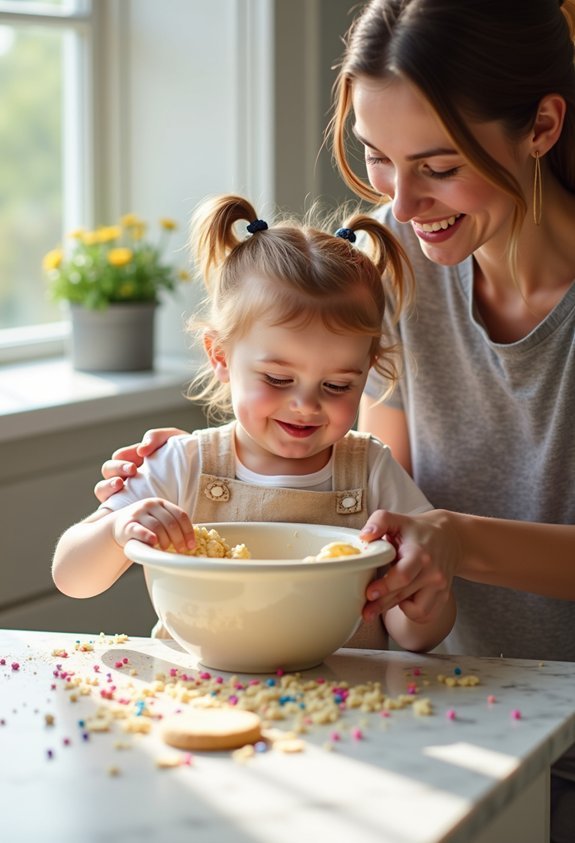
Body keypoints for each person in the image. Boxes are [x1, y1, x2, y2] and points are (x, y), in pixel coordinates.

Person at [93, 4, 575, 838]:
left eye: (437, 166)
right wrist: (225, 459)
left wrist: (454, 538)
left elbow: (425, 530)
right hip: (451, 710)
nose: (401, 202)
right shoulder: (399, 258)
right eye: (376, 156)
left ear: (541, 125)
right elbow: (364, 488)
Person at [53, 193, 456, 654]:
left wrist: (424, 597)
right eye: (279, 379)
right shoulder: (182, 463)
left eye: (338, 385)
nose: (306, 405)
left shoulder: (372, 471)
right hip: (200, 690)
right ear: (220, 356)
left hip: (344, 695)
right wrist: (117, 528)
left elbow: (415, 636)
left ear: (369, 370)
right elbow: (72, 577)